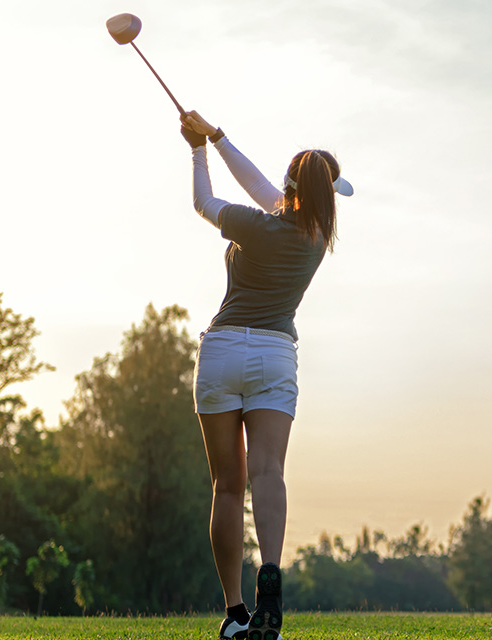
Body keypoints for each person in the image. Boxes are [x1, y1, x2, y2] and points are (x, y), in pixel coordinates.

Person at [178, 109, 351, 640]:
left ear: (288, 188)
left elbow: (206, 204)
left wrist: (198, 149)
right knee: (269, 473)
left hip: (224, 349)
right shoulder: (318, 233)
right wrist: (221, 137)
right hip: (276, 354)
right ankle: (269, 588)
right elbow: (260, 187)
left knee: (227, 487)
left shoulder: (257, 226)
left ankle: (234, 614)